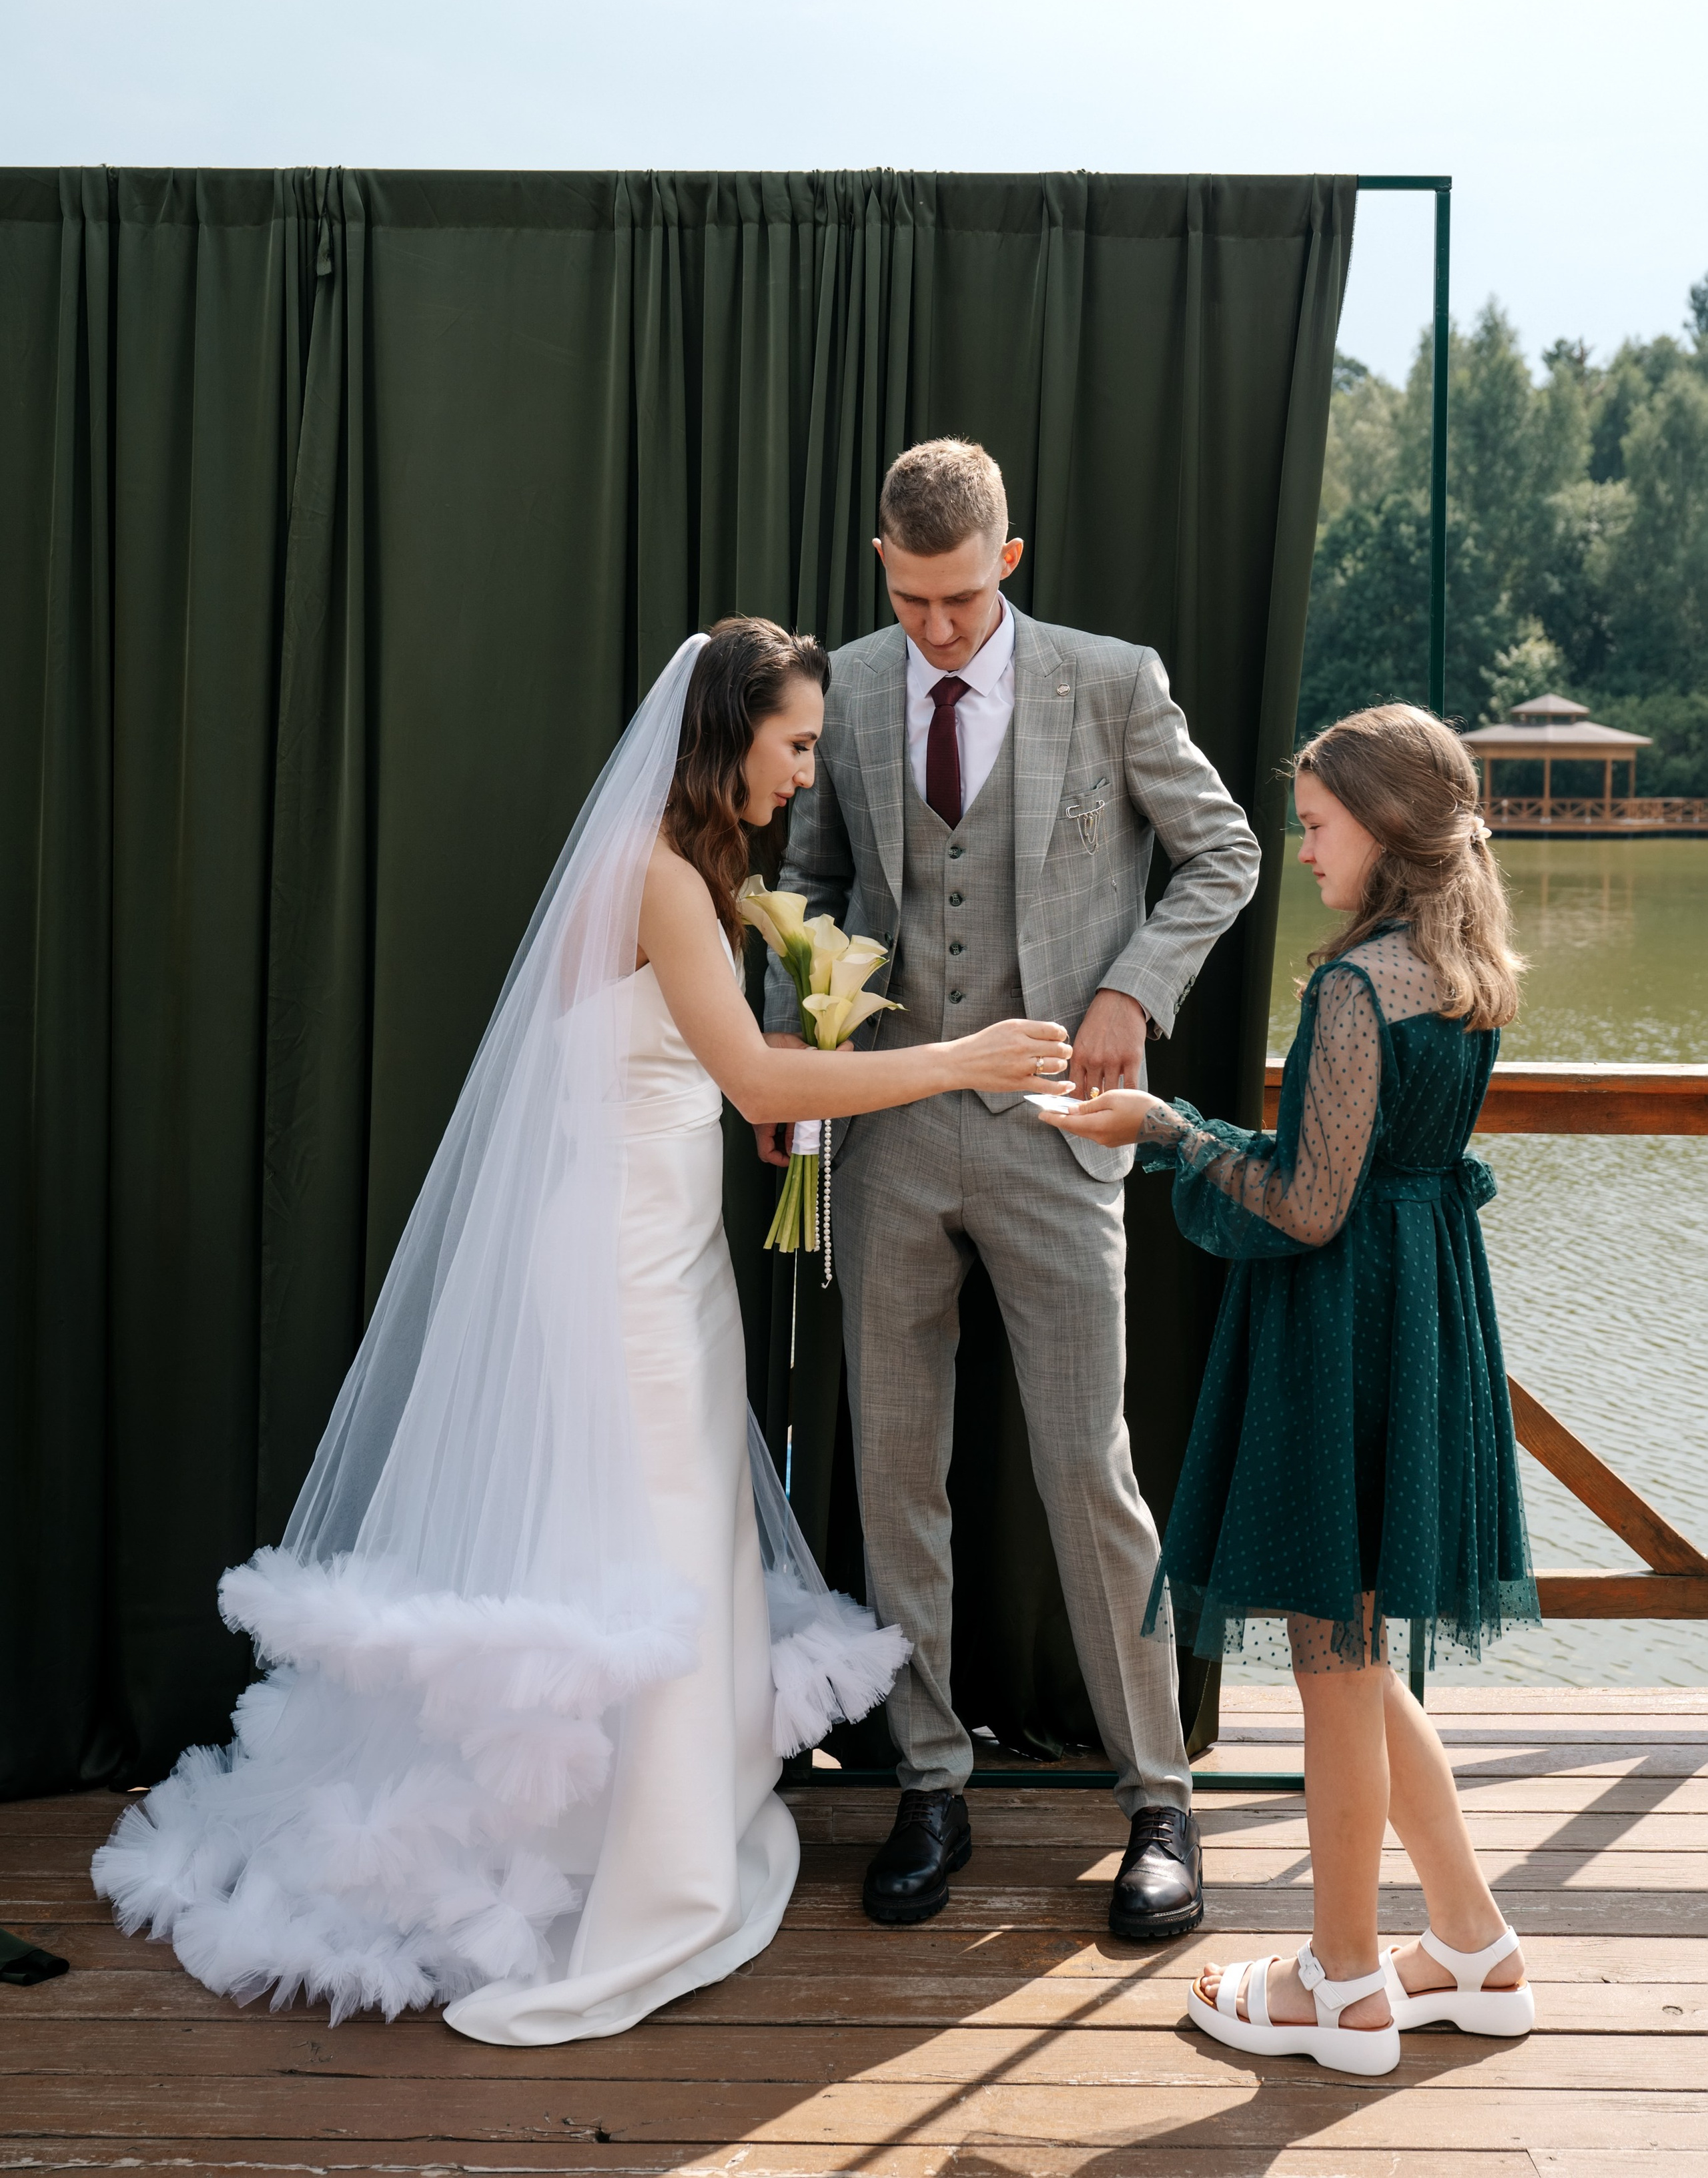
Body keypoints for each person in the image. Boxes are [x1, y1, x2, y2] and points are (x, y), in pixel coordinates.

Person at [93, 620, 1074, 2043]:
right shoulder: (662, 880)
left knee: (639, 1535)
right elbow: (742, 1077)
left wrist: (775, 1103)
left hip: (649, 1244)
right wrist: (963, 1060)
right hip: (627, 1266)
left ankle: (630, 1828)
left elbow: (658, 1071)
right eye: (793, 744)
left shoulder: (676, 876)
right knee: (661, 1533)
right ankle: (652, 1876)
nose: (804, 773)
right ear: (727, 733)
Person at [758, 438, 1262, 1935]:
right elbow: (808, 876)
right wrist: (793, 1023)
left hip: (1057, 1128)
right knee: (897, 1467)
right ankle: (925, 1781)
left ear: (1009, 562)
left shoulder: (1111, 678)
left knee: (1084, 1466)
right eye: (911, 600)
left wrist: (1133, 993)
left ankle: (1155, 1799)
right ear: (879, 566)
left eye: (962, 600)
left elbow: (1221, 850)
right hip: (893, 1128)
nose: (935, 629)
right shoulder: (841, 685)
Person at [1041, 702, 1540, 2076]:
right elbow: (1369, 1163)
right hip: (1422, 1310)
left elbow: (1310, 1202)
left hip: (1340, 1336)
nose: (1300, 846)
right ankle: (1469, 1942)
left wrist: (1163, 1130)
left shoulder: (1355, 986)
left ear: (1381, 830)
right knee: (1364, 1657)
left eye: (1315, 824)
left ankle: (1339, 1987)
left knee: (1331, 1667)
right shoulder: (1458, 970)